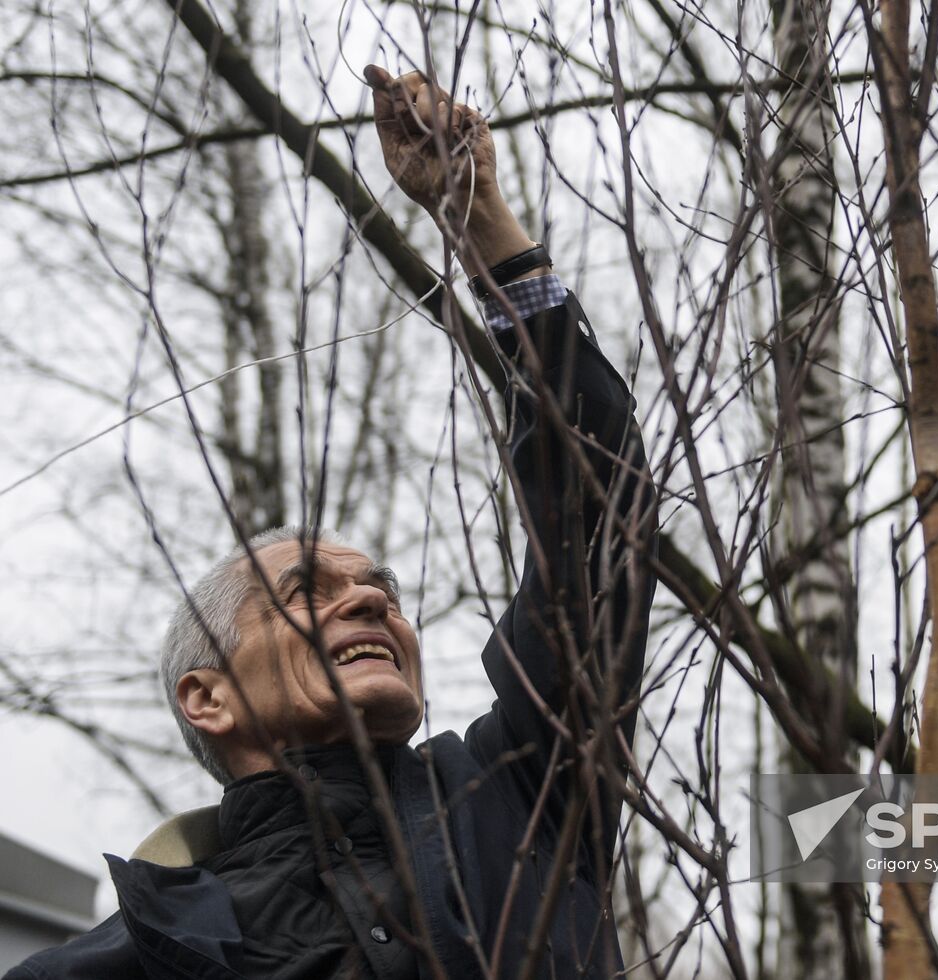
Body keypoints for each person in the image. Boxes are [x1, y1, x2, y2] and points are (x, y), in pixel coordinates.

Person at [5, 64, 656, 980]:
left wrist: (480, 226)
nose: (369, 605)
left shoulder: (518, 793)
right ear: (208, 697)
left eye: (380, 591)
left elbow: (597, 503)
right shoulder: (109, 968)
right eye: (307, 592)